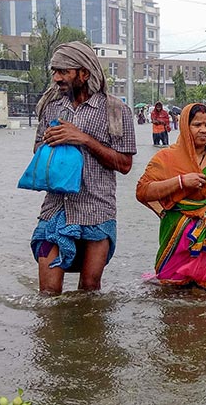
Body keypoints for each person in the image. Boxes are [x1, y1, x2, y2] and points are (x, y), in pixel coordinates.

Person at [29, 41, 137, 295]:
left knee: (89, 292)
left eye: (63, 71)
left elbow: (125, 165)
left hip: (97, 211)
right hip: (55, 209)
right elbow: (36, 151)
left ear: (84, 73)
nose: (56, 78)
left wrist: (84, 139)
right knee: (48, 294)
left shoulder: (115, 110)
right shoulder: (51, 107)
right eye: (54, 71)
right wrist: (52, 144)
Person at [136, 103, 206, 289]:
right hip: (177, 238)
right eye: (197, 125)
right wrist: (181, 182)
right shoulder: (166, 158)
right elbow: (143, 191)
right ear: (185, 126)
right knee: (171, 294)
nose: (203, 130)